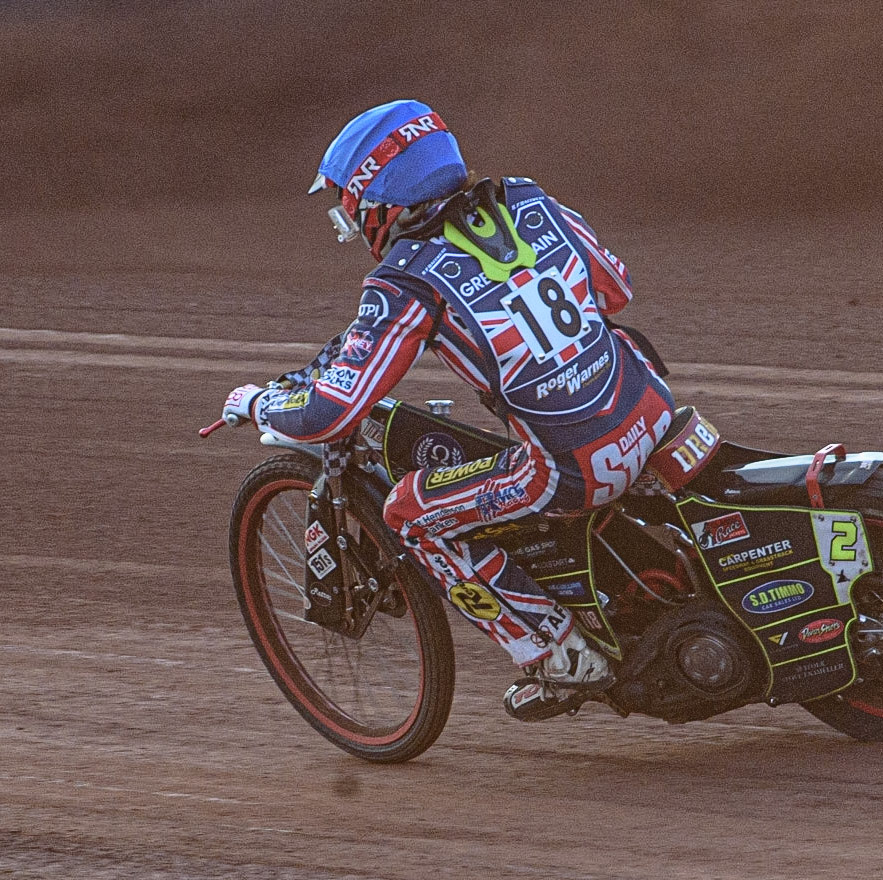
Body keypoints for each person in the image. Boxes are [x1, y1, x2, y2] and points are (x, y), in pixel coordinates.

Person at [221, 100, 676, 719]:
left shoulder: (407, 279)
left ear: (378, 198)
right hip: (652, 407)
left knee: (409, 512)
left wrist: (259, 403)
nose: (353, 224)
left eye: (352, 207)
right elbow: (616, 290)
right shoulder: (529, 199)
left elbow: (333, 413)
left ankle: (558, 655)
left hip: (576, 467)